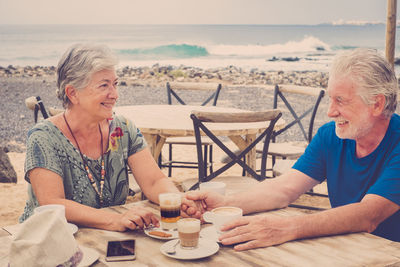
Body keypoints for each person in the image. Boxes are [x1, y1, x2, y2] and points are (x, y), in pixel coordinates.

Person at [184, 48, 400, 250]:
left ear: (377, 104)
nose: (331, 112)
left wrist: (286, 227)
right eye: (330, 100)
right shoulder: (329, 136)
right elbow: (283, 188)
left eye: (341, 101)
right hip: (349, 250)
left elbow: (369, 215)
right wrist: (225, 204)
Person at [20, 43, 185, 231]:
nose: (114, 95)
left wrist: (178, 200)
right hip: (50, 242)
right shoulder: (43, 137)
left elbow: (154, 181)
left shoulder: (122, 129)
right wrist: (114, 220)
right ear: (73, 93)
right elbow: (52, 203)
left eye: (115, 84)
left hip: (106, 239)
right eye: (104, 85)